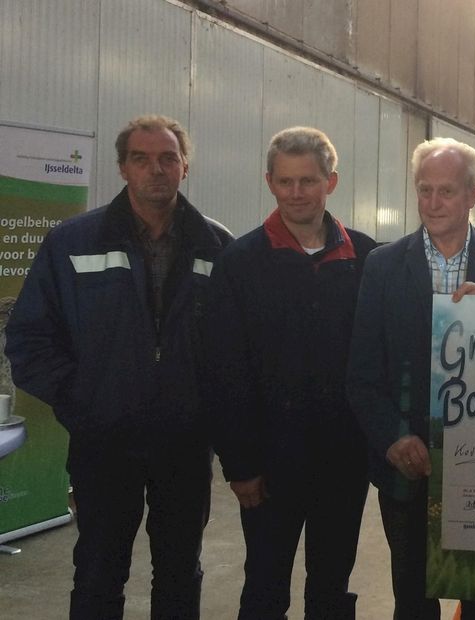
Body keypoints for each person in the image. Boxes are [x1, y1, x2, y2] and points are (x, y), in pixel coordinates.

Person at [5, 115, 232, 619]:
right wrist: (83, 401)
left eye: (168, 158)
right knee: (99, 572)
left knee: (179, 572)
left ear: (185, 167)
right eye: (141, 158)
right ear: (122, 168)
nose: (156, 169)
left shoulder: (217, 245)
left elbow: (236, 347)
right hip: (104, 443)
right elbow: (28, 338)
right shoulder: (71, 242)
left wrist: (212, 414)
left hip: (185, 443)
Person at [347, 137, 475, 619]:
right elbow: (363, 372)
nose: (432, 203)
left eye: (445, 192)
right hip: (409, 461)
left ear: (473, 195)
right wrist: (393, 438)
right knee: (412, 594)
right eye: (424, 190)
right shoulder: (383, 266)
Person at [200, 127, 375, 618]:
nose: (297, 193)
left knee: (332, 582)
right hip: (270, 464)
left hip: (344, 461)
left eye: (309, 181)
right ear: (270, 183)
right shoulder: (240, 263)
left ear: (331, 182)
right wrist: (240, 465)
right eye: (286, 182)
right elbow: (223, 368)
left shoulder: (366, 259)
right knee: (264, 582)